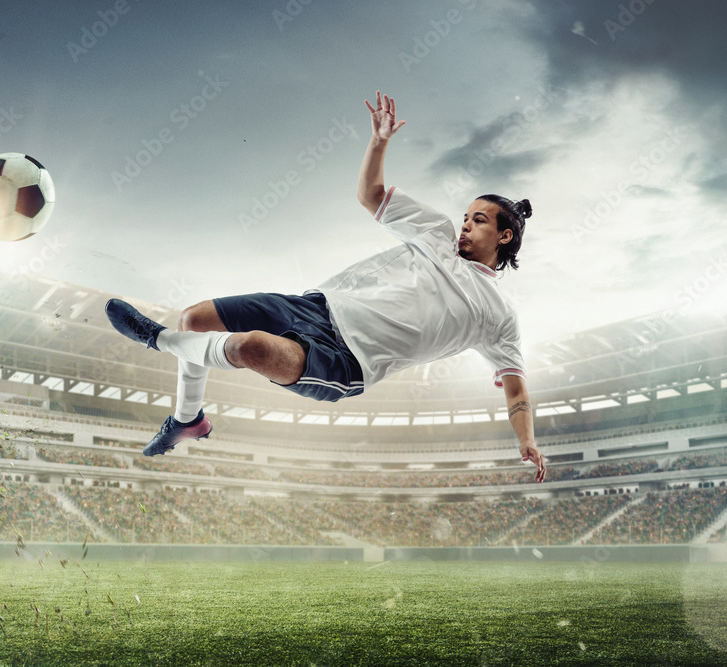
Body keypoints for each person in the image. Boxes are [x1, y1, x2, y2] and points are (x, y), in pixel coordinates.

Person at [106, 91, 546, 483]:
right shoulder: (437, 233)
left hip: (348, 361)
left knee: (248, 348)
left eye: (479, 221)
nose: (465, 226)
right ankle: (187, 419)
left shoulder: (499, 313)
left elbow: (517, 390)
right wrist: (379, 141)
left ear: (504, 236)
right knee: (194, 319)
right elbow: (371, 195)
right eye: (466, 217)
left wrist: (526, 440)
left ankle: (156, 339)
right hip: (317, 307)